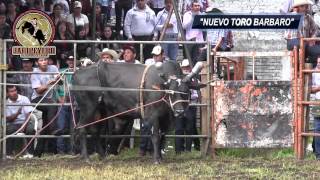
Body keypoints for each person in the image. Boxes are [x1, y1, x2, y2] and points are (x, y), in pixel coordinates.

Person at [30, 57, 62, 157]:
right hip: (37, 99)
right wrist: (49, 83)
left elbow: (60, 82)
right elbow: (38, 91)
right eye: (41, 60)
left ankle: (37, 153)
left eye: (45, 59)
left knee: (45, 126)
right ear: (37, 62)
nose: (44, 62)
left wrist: (59, 79)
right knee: (52, 104)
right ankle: (54, 129)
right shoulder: (35, 72)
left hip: (49, 101)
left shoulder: (53, 68)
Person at [175, 59, 200, 154]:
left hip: (190, 106)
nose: (186, 69)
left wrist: (189, 91)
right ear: (181, 68)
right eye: (184, 67)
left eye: (187, 67)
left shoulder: (195, 79)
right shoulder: (177, 80)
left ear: (190, 68)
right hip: (179, 106)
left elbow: (196, 95)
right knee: (178, 129)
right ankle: (178, 150)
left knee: (189, 129)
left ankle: (188, 150)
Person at [6, 85, 35, 157]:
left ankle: (30, 153)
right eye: (11, 91)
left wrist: (23, 127)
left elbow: (28, 115)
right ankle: (9, 154)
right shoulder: (6, 102)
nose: (14, 93)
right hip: (13, 123)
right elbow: (9, 119)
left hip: (25, 121)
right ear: (7, 93)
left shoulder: (24, 99)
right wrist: (18, 113)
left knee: (31, 130)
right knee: (9, 130)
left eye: (15, 90)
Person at [56, 55, 76, 154]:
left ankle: (72, 150)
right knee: (62, 126)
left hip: (75, 103)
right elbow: (55, 87)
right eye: (69, 60)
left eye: (73, 60)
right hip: (63, 103)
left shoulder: (79, 71)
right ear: (67, 61)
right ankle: (61, 151)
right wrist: (59, 99)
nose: (71, 61)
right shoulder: (61, 71)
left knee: (73, 127)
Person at [183, 0, 204, 65]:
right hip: (190, 40)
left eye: (198, 6)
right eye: (195, 6)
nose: (197, 7)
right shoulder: (187, 14)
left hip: (199, 41)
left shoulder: (202, 15)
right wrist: (192, 17)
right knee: (189, 60)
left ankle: (197, 75)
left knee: (197, 60)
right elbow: (184, 26)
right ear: (191, 7)